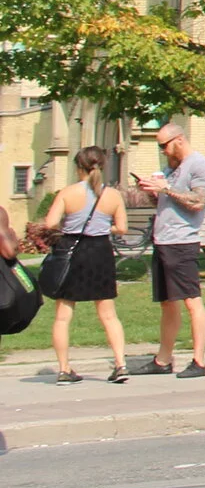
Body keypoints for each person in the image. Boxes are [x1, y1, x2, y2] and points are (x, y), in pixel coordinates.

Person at [36, 146, 130, 384]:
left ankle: (64, 369)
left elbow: (50, 223)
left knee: (63, 315)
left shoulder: (68, 193)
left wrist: (71, 225)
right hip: (100, 252)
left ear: (79, 167)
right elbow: (122, 228)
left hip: (73, 250)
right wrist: (103, 226)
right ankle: (120, 364)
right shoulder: (113, 195)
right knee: (108, 314)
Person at [127, 126, 205, 378]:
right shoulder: (171, 169)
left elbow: (198, 201)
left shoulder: (199, 165)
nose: (162, 151)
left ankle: (199, 361)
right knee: (167, 303)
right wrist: (153, 191)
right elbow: (168, 201)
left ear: (179, 140)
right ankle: (163, 360)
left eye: (164, 145)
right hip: (163, 241)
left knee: (192, 301)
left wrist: (165, 188)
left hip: (182, 242)